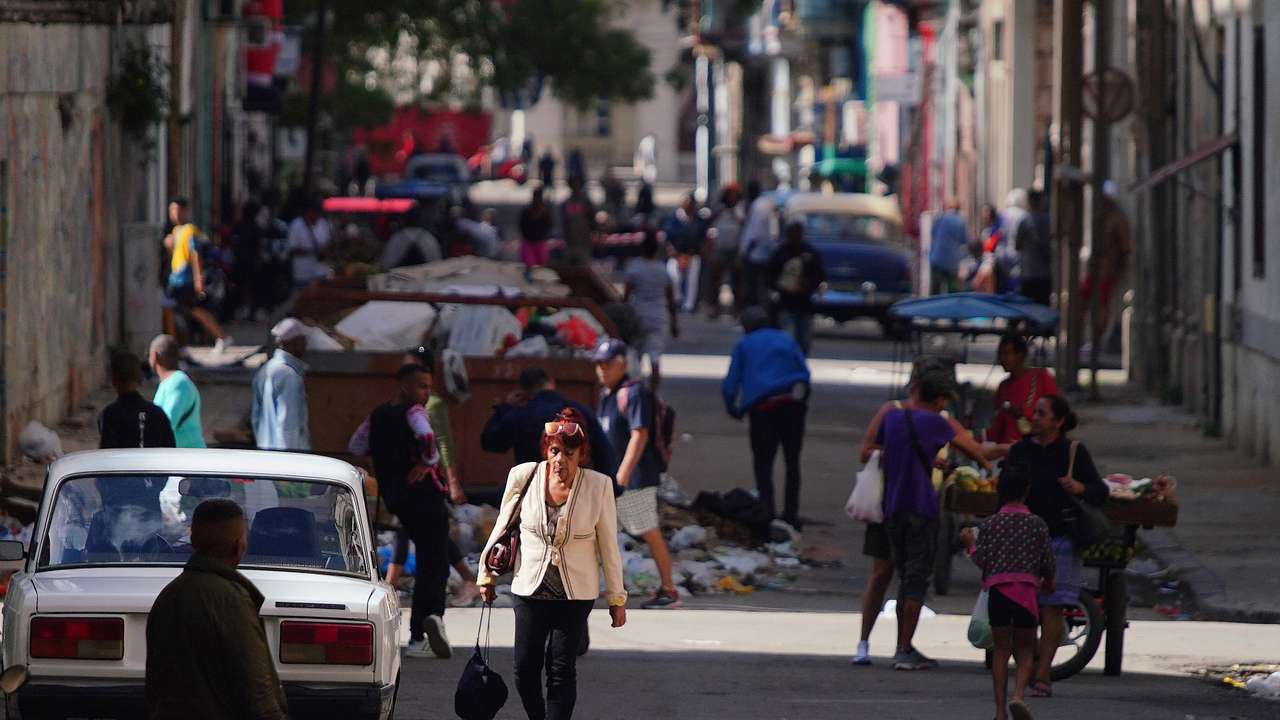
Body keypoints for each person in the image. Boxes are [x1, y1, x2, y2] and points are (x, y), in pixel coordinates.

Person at [477, 409, 627, 720]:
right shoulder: (524, 476)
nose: (559, 460)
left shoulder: (598, 486)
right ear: (546, 449)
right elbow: (501, 528)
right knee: (525, 669)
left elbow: (609, 546)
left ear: (581, 455)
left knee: (560, 669)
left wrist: (616, 599)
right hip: (529, 589)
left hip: (575, 595)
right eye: (554, 451)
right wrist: (486, 576)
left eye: (568, 453)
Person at [874, 366, 993, 670]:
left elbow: (886, 451)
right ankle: (903, 650)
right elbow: (975, 451)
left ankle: (904, 645)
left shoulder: (893, 416)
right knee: (916, 580)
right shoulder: (938, 423)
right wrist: (991, 469)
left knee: (905, 578)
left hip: (892, 508)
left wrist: (932, 459)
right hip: (920, 507)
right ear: (939, 399)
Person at [146, 499, 288, 720]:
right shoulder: (231, 600)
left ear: (192, 540)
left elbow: (155, 685)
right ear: (240, 545)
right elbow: (256, 687)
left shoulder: (169, 596)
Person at [1006, 394, 1107, 698]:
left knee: (1052, 609)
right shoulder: (1021, 450)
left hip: (1060, 540)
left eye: (1042, 413)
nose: (1034, 417)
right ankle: (1034, 660)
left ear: (1058, 421)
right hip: (1023, 538)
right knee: (1020, 609)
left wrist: (1079, 488)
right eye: (1034, 412)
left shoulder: (1073, 451)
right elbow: (1004, 488)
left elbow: (1099, 491)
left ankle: (1043, 674)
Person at [367, 364, 461, 658]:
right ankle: (423, 628)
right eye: (422, 386)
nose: (427, 392)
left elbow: (356, 442)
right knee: (434, 563)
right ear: (404, 386)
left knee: (427, 555)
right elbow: (429, 442)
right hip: (425, 499)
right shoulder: (416, 413)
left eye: (429, 386)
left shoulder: (378, 415)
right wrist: (427, 462)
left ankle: (424, 628)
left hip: (397, 499)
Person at [592, 339, 680, 609]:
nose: (601, 370)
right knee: (598, 532)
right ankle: (599, 587)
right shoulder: (607, 395)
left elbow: (639, 434)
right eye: (598, 364)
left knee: (647, 531)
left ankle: (668, 590)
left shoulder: (634, 393)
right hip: (613, 480)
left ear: (622, 364)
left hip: (633, 480)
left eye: (607, 364)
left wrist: (623, 475)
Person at [962, 466, 1055, 720]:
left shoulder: (990, 524)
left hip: (998, 593)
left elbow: (982, 560)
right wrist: (1049, 581)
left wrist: (970, 546)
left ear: (1000, 492)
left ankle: (999, 711)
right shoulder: (1037, 524)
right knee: (1025, 650)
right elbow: (1047, 559)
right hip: (1026, 593)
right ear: (1027, 492)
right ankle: (1018, 696)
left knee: (1000, 650)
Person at [720, 306, 810, 530]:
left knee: (763, 464)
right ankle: (791, 514)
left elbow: (731, 383)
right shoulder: (785, 338)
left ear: (746, 327)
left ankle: (767, 512)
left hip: (763, 409)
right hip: (792, 405)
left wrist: (733, 407)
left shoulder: (744, 344)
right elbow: (804, 372)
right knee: (792, 462)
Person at [481, 367, 618, 477]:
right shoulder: (580, 412)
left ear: (523, 392)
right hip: (572, 493)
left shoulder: (519, 415)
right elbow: (604, 455)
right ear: (552, 383)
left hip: (533, 494)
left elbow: (490, 442)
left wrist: (505, 407)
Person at [164, 198, 231, 352]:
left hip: (186, 279)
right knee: (185, 311)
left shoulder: (189, 230)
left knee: (192, 310)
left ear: (185, 211)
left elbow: (195, 255)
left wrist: (198, 279)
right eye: (172, 210)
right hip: (177, 279)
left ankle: (219, 337)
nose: (174, 214)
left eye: (177, 210)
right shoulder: (176, 231)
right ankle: (179, 345)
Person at [622, 230, 679, 391]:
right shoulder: (663, 270)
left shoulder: (634, 268)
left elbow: (626, 296)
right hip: (658, 317)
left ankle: (635, 391)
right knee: (655, 359)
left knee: (636, 358)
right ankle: (652, 395)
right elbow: (670, 298)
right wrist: (674, 323)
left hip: (638, 316)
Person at [986, 334, 1060, 451]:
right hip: (1008, 452)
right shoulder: (1004, 386)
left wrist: (1022, 413)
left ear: (1020, 356)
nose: (1002, 359)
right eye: (1000, 354)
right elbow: (998, 426)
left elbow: (1056, 413)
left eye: (1006, 354)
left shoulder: (1042, 378)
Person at [251, 317, 310, 451]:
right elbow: (289, 424)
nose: (306, 345)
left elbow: (255, 417)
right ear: (293, 342)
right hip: (286, 458)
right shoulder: (290, 375)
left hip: (265, 449)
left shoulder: (266, 369)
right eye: (303, 340)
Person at [767, 220, 826, 356]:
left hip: (804, 302)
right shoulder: (780, 253)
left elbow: (819, 275)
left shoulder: (810, 253)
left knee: (804, 340)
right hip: (786, 303)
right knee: (789, 337)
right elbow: (770, 275)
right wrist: (781, 287)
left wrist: (808, 284)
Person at [99, 350, 175, 450]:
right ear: (140, 379)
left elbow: (105, 455)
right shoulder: (158, 414)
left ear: (113, 380)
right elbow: (170, 453)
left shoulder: (108, 415)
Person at [148, 334, 205, 448]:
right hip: (178, 457)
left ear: (154, 356)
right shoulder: (170, 382)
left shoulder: (178, 383)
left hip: (189, 458)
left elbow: (166, 424)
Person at [705, 184, 744, 317]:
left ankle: (737, 308)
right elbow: (711, 225)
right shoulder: (720, 209)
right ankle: (714, 307)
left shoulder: (740, 208)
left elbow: (742, 222)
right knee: (715, 279)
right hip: (720, 248)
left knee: (737, 281)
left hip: (735, 249)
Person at [739, 180, 779, 309]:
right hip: (764, 253)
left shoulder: (758, 205)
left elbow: (755, 232)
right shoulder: (765, 203)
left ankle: (756, 315)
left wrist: (747, 251)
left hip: (756, 254)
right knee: (760, 288)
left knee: (753, 289)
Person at [663, 194, 703, 314]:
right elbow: (668, 236)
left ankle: (689, 305)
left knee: (692, 280)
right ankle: (677, 300)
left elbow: (700, 236)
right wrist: (672, 250)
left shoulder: (697, 219)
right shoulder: (675, 218)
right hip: (677, 254)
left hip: (692, 254)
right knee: (673, 276)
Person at [929, 198, 970, 295]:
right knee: (952, 291)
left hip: (937, 258)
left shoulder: (941, 218)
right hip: (953, 261)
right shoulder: (962, 221)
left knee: (935, 291)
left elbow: (933, 234)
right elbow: (964, 241)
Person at [287, 200, 332, 287]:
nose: (317, 216)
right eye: (315, 213)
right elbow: (292, 250)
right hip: (303, 275)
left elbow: (327, 243)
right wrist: (313, 251)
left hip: (321, 273)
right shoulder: (296, 225)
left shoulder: (323, 223)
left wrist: (325, 251)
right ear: (308, 212)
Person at [1020, 190, 1054, 305]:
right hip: (1044, 272)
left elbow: (1017, 245)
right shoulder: (1048, 220)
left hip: (1029, 272)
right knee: (1043, 307)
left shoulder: (1024, 221)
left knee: (1029, 308)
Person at [560, 176, 596, 267]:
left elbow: (592, 218)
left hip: (584, 241)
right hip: (570, 242)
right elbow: (564, 221)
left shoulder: (586, 201)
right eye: (573, 184)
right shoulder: (566, 202)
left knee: (584, 266)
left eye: (577, 184)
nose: (575, 187)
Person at [519, 187, 555, 269]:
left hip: (540, 243)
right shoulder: (527, 212)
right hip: (528, 243)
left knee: (541, 266)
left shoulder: (546, 213)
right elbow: (522, 226)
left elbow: (550, 225)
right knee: (530, 266)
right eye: (536, 197)